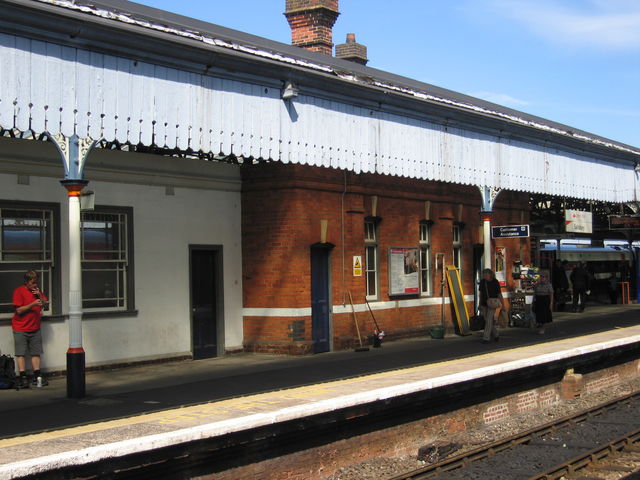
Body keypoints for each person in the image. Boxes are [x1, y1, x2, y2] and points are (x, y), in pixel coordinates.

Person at [12, 270, 48, 388]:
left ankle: (37, 376)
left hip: (35, 327)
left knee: (35, 352)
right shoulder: (18, 291)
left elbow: (45, 304)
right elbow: (19, 310)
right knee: (21, 353)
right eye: (33, 283)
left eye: (36, 282)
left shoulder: (37, 291)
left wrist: (39, 296)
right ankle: (22, 377)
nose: (35, 285)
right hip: (20, 327)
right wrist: (32, 304)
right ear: (27, 282)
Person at [479, 268, 504, 344]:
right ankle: (496, 334)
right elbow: (481, 294)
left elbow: (499, 294)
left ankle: (486, 338)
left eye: (486, 275)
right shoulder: (482, 282)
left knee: (489, 320)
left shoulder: (495, 282)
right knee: (487, 321)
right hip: (484, 303)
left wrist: (502, 304)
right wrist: (479, 304)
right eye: (484, 275)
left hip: (492, 304)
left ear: (490, 275)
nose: (484, 276)